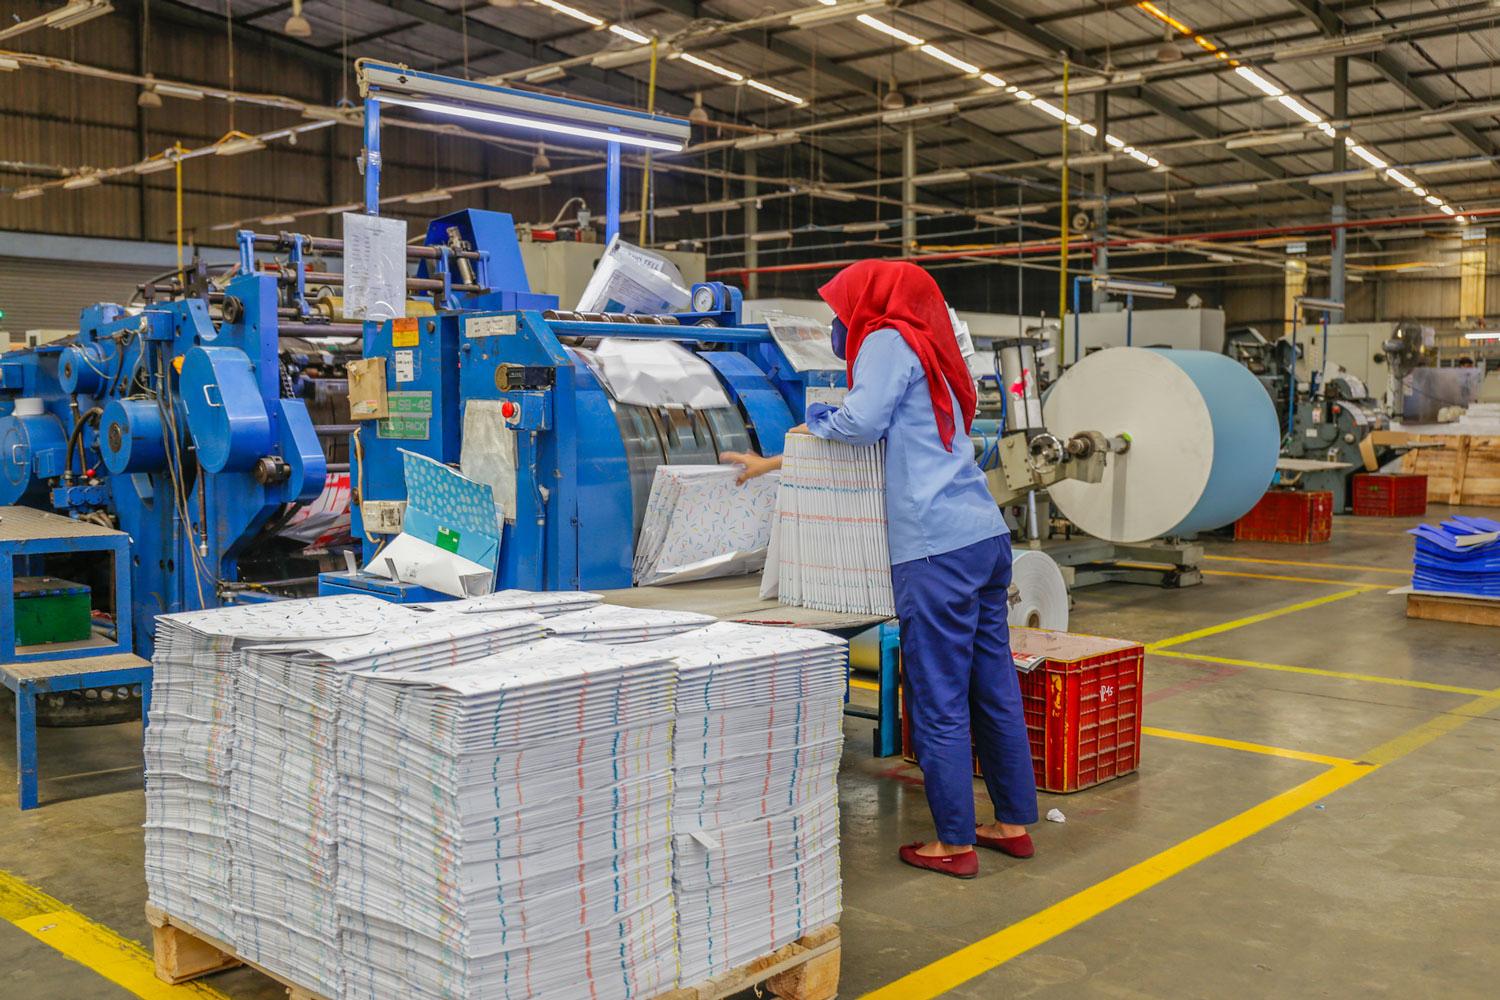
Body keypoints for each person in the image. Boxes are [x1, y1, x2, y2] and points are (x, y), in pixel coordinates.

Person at [722, 259, 1038, 880]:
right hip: (983, 537)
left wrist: (812, 423)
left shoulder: (889, 340)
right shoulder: (936, 346)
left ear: (873, 302)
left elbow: (862, 424)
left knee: (939, 698)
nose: (841, 323)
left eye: (844, 311)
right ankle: (1012, 823)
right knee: (993, 688)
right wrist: (775, 462)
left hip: (935, 549)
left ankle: (954, 843)